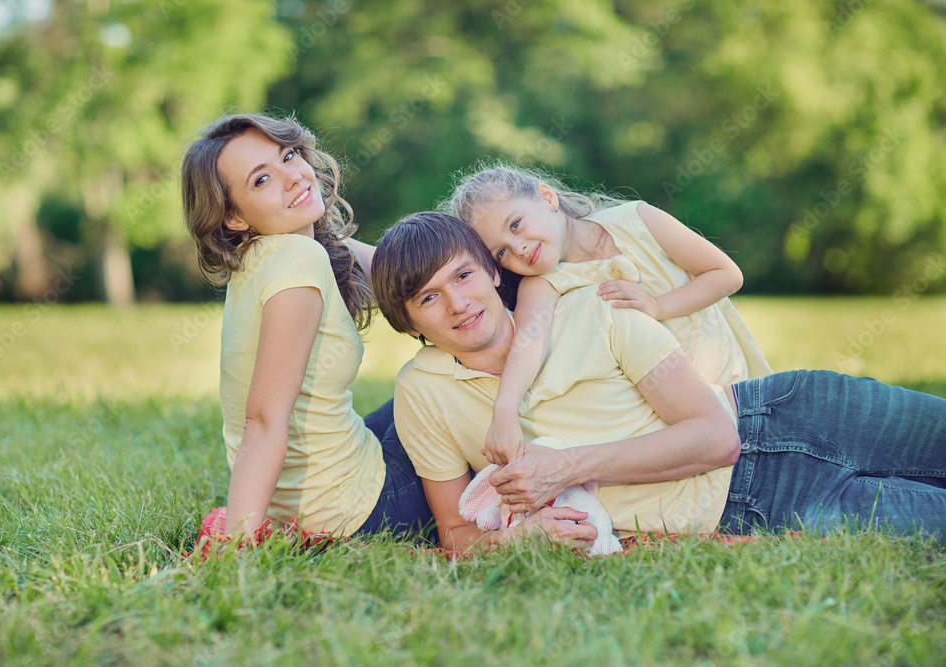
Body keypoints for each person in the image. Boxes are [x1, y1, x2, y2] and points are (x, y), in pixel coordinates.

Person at [370, 211, 946, 552]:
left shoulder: (590, 307)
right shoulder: (424, 391)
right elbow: (454, 532)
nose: (458, 302)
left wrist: (567, 468)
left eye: (465, 275)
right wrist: (523, 537)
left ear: (494, 273)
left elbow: (717, 437)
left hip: (786, 412)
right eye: (428, 296)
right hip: (754, 505)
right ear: (408, 320)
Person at [180, 113, 434, 543]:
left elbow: (414, 273)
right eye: (262, 180)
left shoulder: (268, 252)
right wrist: (237, 546)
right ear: (234, 217)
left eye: (289, 156)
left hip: (310, 498)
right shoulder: (300, 260)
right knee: (456, 383)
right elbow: (263, 419)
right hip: (359, 512)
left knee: (419, 394)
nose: (294, 177)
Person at [447, 165, 771, 465]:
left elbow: (726, 274)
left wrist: (658, 306)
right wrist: (504, 411)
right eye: (500, 252)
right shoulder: (541, 284)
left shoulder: (638, 221)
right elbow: (528, 344)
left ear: (547, 198)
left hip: (727, 376)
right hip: (667, 413)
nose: (517, 248)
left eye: (516, 225)